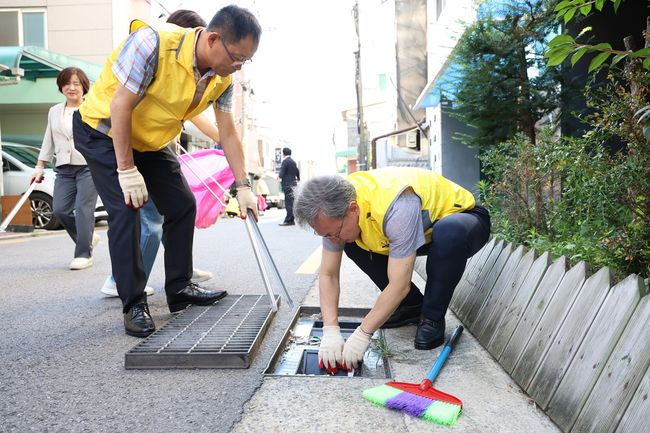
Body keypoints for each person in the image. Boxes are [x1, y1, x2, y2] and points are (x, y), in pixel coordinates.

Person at [73, 5, 261, 338]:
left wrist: (243, 185)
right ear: (213, 39)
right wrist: (126, 169)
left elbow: (228, 132)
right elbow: (120, 105)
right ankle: (133, 303)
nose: (239, 66)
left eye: (246, 61)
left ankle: (179, 287)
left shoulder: (223, 78)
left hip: (149, 137)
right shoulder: (153, 43)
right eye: (237, 57)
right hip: (102, 129)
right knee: (126, 208)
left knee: (182, 204)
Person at [293, 167, 490, 372]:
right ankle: (410, 307)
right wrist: (330, 330)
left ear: (353, 209)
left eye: (334, 233)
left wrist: (362, 334)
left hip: (463, 222)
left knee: (449, 233)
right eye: (326, 235)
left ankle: (432, 318)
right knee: (351, 241)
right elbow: (328, 274)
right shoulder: (334, 209)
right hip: (420, 231)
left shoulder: (397, 206)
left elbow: (399, 285)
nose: (333, 240)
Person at [99, 9, 217, 298]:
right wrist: (127, 169)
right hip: (127, 146)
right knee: (149, 222)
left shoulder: (189, 75)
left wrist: (227, 142)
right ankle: (121, 282)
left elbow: (194, 116)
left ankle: (180, 273)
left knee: (174, 209)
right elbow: (122, 108)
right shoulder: (154, 54)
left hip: (153, 147)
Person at [31, 67, 100, 270]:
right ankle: (87, 237)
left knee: (83, 209)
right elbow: (48, 139)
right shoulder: (54, 111)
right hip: (64, 167)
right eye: (67, 83)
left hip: (89, 166)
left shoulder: (93, 108)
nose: (71, 88)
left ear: (84, 87)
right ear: (61, 87)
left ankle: (84, 254)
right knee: (60, 210)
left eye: (76, 84)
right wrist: (39, 166)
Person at [278, 147, 299, 226]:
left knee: (288, 202)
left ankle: (288, 220)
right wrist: (298, 178)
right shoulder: (293, 161)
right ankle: (291, 219)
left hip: (287, 184)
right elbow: (297, 171)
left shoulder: (285, 161)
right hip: (293, 184)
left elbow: (282, 170)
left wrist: (279, 176)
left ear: (283, 153)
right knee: (292, 202)